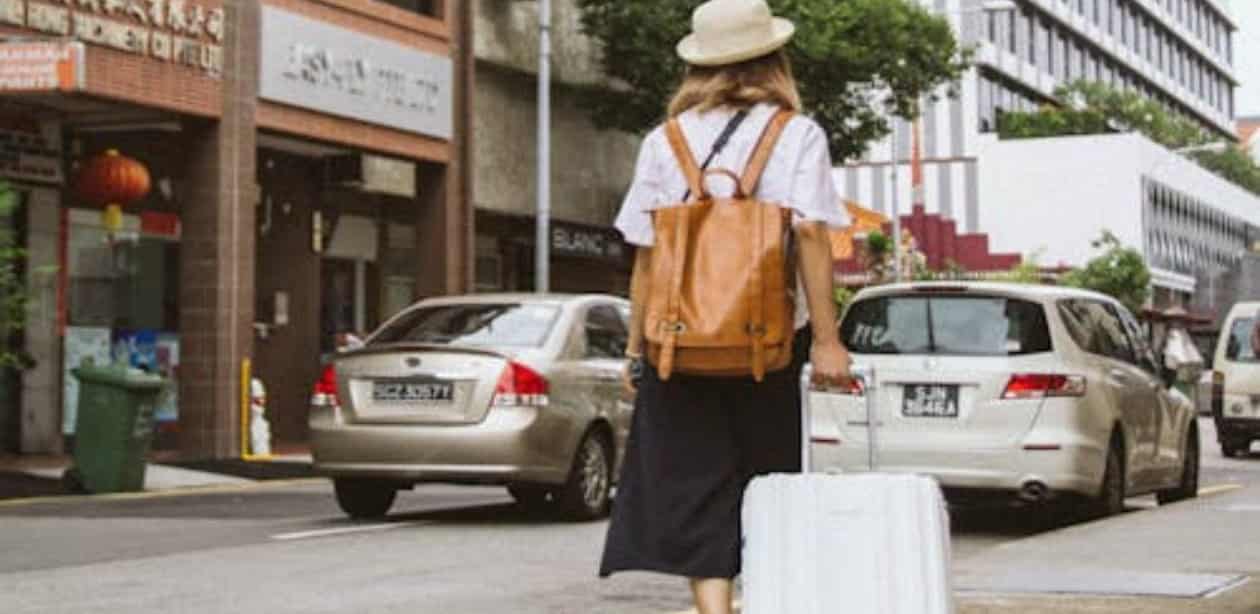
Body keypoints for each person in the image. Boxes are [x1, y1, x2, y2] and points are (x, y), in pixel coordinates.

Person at [597, 1, 853, 613]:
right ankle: (757, 593)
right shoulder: (796, 133)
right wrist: (826, 338)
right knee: (763, 477)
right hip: (764, 339)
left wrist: (636, 348)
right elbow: (812, 235)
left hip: (679, 340)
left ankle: (715, 608)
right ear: (773, 58)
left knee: (690, 478)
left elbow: (647, 254)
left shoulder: (665, 140)